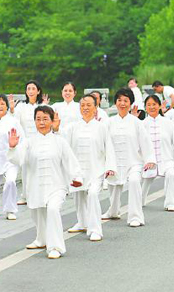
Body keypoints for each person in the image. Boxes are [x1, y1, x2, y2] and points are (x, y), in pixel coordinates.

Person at [7, 105, 83, 259]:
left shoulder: (59, 141)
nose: (41, 122)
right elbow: (17, 160)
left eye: (45, 119)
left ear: (51, 120)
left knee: (53, 209)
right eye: (38, 119)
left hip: (57, 185)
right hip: (35, 185)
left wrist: (77, 178)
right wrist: (12, 147)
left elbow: (71, 161)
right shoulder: (28, 142)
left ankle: (55, 247)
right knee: (38, 213)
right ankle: (41, 239)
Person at [63, 95, 117, 241]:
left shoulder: (101, 127)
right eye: (83, 105)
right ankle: (82, 222)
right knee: (79, 196)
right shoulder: (72, 127)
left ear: (95, 108)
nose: (85, 108)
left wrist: (110, 167)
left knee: (92, 194)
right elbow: (64, 147)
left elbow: (109, 148)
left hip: (96, 169)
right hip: (78, 170)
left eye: (88, 105)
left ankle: (95, 229)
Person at [102, 88, 155, 227]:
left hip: (134, 162)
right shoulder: (109, 122)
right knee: (113, 187)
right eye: (119, 100)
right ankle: (113, 211)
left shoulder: (136, 122)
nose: (122, 103)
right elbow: (103, 143)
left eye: (126, 100)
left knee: (133, 181)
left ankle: (135, 216)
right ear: (115, 103)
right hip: (115, 162)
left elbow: (145, 141)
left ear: (130, 103)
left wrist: (149, 159)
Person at [142, 95, 174, 212]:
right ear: (145, 107)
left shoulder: (168, 123)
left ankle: (171, 203)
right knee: (145, 181)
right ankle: (139, 201)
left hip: (166, 158)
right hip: (148, 161)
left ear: (160, 106)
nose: (152, 107)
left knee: (171, 174)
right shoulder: (142, 124)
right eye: (149, 105)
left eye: (154, 104)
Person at [9, 80, 48, 205]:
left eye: (33, 89)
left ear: (38, 91)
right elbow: (15, 122)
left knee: (42, 169)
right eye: (28, 89)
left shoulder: (43, 106)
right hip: (26, 142)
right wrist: (12, 110)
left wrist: (46, 107)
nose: (31, 91)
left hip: (41, 141)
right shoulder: (21, 106)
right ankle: (25, 196)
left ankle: (43, 195)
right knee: (26, 170)